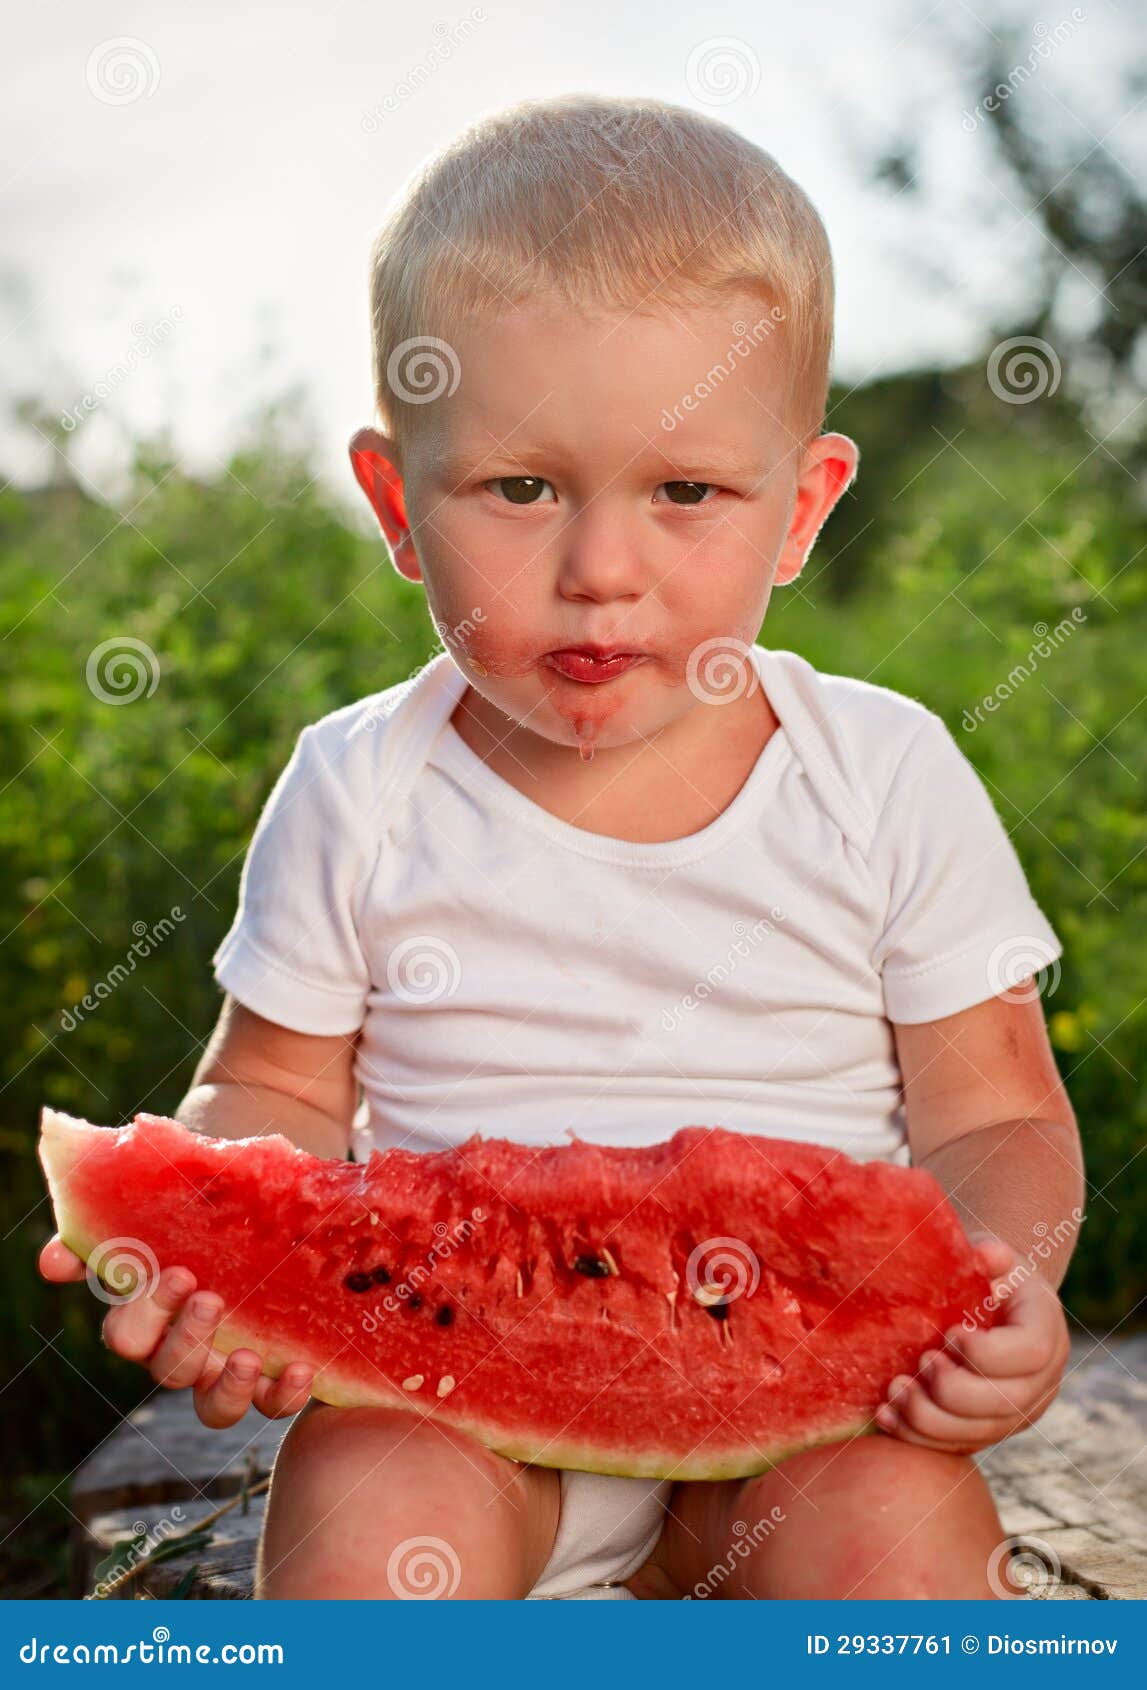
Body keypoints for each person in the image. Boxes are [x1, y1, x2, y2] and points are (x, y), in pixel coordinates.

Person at [41, 94, 1084, 1600]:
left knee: (895, 1534)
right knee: (362, 1503)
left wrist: (999, 1285)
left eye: (686, 493)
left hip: (817, 1436)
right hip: (450, 1422)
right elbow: (270, 1079)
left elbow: (995, 1113)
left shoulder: (883, 772)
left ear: (801, 511)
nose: (603, 573)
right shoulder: (358, 784)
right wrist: (210, 1233)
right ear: (399, 504)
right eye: (518, 488)